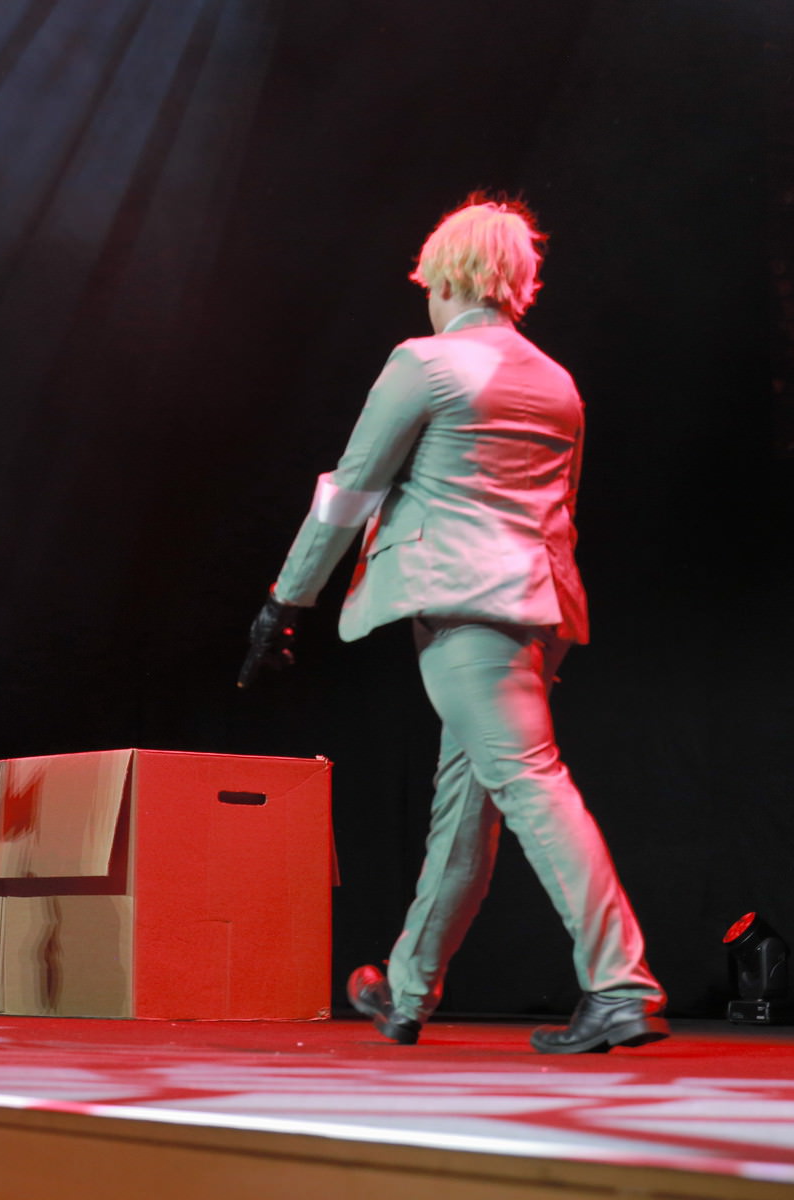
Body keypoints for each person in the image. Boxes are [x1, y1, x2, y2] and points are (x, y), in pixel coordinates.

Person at [241, 196, 667, 1054]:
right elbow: (561, 509)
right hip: (538, 608)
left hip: (464, 607)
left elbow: (352, 489)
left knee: (529, 781)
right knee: (464, 807)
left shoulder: (427, 363)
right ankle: (406, 991)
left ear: (444, 278)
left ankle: (619, 984)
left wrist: (286, 601)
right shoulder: (557, 381)